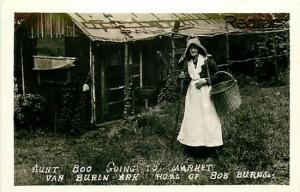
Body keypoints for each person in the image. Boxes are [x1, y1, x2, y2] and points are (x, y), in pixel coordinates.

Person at [177, 37, 222, 158]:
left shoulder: (208, 60)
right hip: (193, 94)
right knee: (193, 119)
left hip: (205, 93)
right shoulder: (188, 63)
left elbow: (218, 77)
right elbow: (186, 78)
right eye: (191, 48)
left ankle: (212, 149)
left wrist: (206, 81)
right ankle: (195, 147)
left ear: (199, 49)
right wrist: (182, 77)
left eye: (195, 48)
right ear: (188, 50)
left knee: (208, 118)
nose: (193, 50)